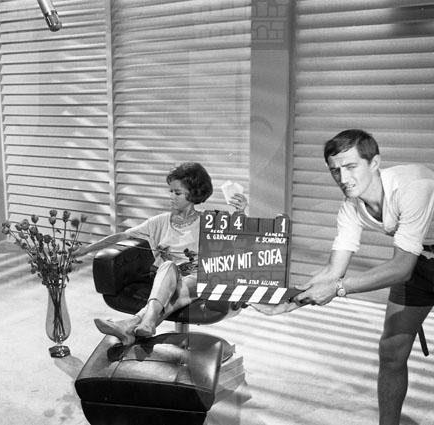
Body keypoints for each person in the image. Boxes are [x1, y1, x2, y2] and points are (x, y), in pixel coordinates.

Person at [253, 129, 434, 425]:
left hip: (410, 262)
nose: (343, 177)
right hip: (421, 262)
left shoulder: (413, 187)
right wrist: (288, 303)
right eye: (335, 170)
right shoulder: (351, 207)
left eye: (351, 166)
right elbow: (333, 271)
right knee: (391, 351)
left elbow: (401, 268)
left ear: (375, 163)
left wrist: (338, 288)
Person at [75, 162, 248, 345]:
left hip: (198, 278)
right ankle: (142, 325)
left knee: (183, 277)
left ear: (193, 194)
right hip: (167, 279)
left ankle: (133, 323)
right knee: (167, 267)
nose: (171, 196)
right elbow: (121, 236)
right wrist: (86, 249)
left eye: (177, 193)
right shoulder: (159, 222)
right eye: (170, 191)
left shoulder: (210, 220)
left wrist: (241, 212)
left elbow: (241, 238)